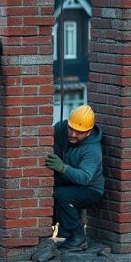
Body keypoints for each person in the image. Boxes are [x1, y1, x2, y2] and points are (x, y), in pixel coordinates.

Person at [46, 104, 104, 252]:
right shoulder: (61, 129)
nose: (73, 134)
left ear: (89, 132)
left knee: (63, 195)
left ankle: (78, 238)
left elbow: (85, 178)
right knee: (49, 188)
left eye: (79, 132)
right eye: (71, 129)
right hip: (69, 181)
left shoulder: (92, 150)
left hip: (90, 190)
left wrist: (62, 167)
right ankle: (62, 234)